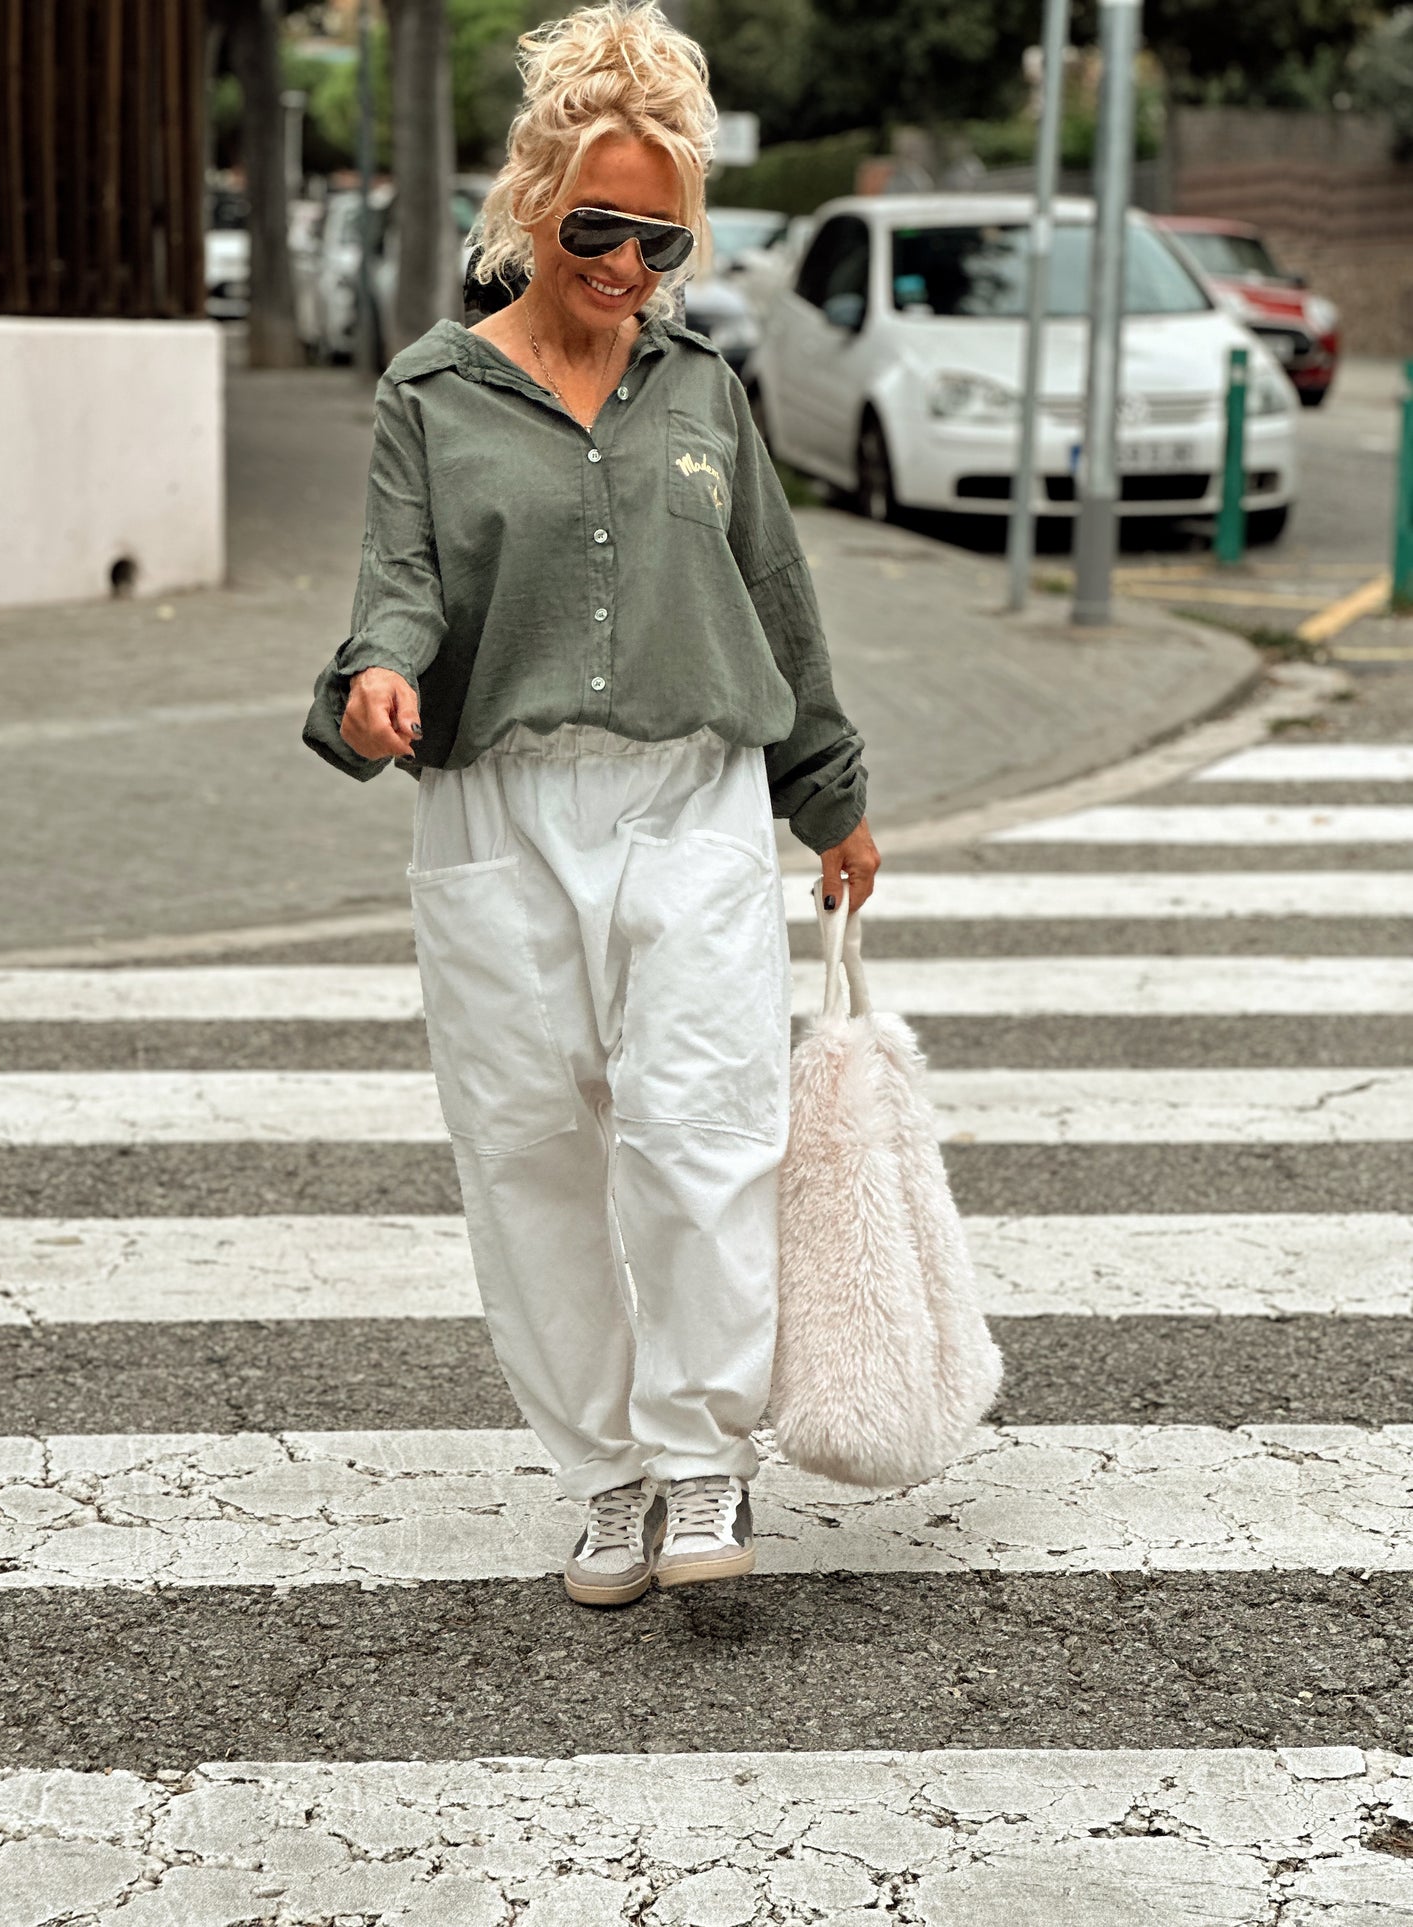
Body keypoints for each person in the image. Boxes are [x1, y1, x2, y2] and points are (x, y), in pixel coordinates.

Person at [303, 0, 878, 1608]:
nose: (628, 267)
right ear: (533, 203)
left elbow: (774, 592)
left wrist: (828, 796)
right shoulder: (430, 389)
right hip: (495, 806)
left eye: (661, 240)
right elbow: (397, 582)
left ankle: (701, 1464)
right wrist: (375, 680)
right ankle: (603, 1477)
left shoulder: (702, 390)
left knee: (701, 1128)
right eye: (598, 230)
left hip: (690, 796)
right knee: (529, 1149)